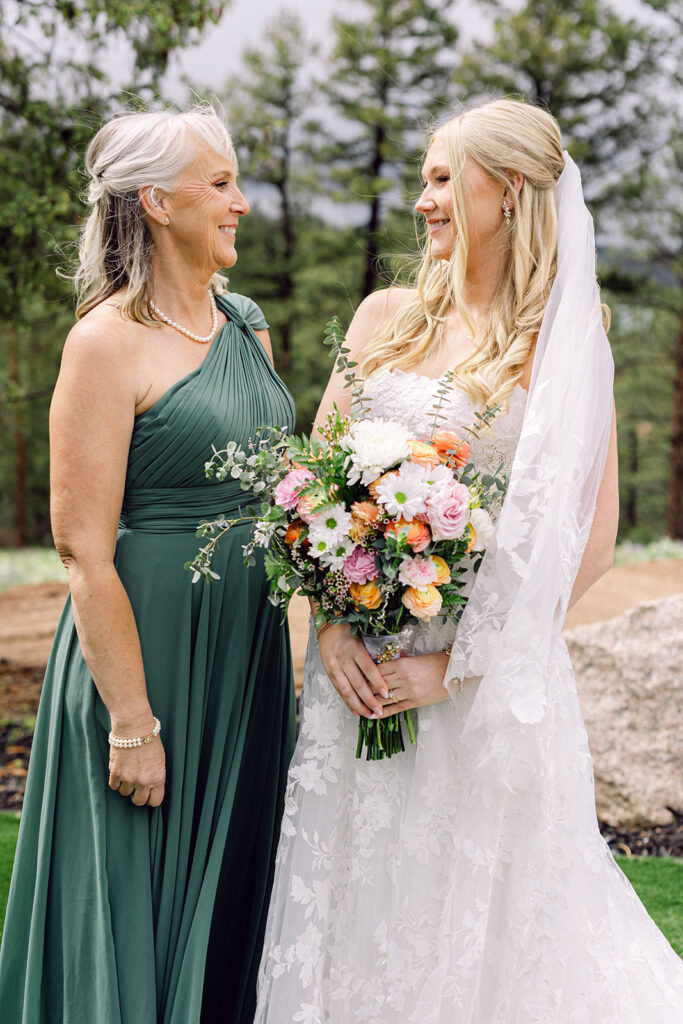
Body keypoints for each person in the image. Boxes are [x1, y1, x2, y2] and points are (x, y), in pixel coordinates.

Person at [255, 99, 683, 1022]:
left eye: (444, 179)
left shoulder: (563, 345)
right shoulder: (381, 319)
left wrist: (456, 666)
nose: (423, 201)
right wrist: (330, 624)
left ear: (511, 191)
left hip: (480, 690)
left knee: (480, 921)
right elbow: (310, 481)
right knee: (349, 899)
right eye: (424, 180)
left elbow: (591, 539)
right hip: (357, 675)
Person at [0, 104, 296, 1023]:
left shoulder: (245, 323)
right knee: (138, 893)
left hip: (244, 656)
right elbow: (83, 550)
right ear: (155, 202)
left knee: (242, 888)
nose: (241, 203)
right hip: (146, 657)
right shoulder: (104, 342)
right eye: (220, 184)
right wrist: (131, 720)